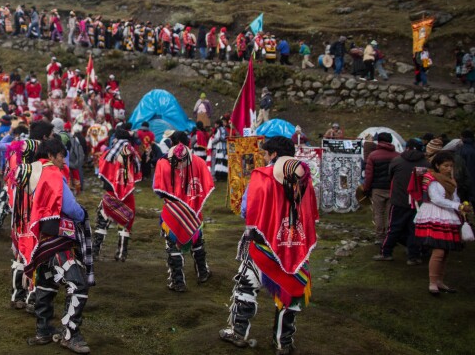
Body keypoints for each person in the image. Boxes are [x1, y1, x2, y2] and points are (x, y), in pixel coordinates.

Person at [220, 136, 317, 353]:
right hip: (294, 244)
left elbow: (247, 210)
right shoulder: (305, 178)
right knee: (291, 291)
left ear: (273, 154)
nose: (263, 157)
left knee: (246, 286)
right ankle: (283, 342)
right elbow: (311, 213)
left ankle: (238, 332)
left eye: (265, 154)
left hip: (263, 245)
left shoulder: (261, 176)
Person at [15, 137, 92, 353]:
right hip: (57, 239)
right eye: (60, 157)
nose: (63, 162)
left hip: (37, 241)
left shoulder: (30, 174)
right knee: (78, 284)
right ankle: (70, 334)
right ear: (50, 156)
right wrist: (82, 214)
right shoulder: (52, 175)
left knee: (46, 283)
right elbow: (69, 206)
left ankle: (43, 330)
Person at [153, 131, 214, 291]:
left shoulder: (163, 162)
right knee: (197, 242)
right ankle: (202, 273)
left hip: (172, 210)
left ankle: (178, 281)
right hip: (193, 209)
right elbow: (208, 183)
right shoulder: (198, 162)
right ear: (187, 142)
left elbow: (158, 190)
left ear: (172, 143)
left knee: (172, 246)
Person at [413, 151, 469, 295]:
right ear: (437, 165)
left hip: (448, 215)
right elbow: (436, 199)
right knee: (439, 250)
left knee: (445, 252)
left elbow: (455, 197)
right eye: (446, 165)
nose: (449, 169)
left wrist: (461, 205)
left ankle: (439, 281)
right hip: (435, 214)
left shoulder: (450, 181)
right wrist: (457, 206)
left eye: (451, 166)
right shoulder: (431, 179)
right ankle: (432, 282)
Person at [374, 138, 429, 264]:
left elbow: (391, 176)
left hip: (399, 200)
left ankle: (386, 252)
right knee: (414, 229)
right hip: (417, 203)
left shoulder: (397, 161)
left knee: (393, 228)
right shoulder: (426, 164)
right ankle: (413, 256)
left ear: (407, 147)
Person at [93, 127, 141, 261]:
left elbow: (102, 175)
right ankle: (121, 254)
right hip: (127, 196)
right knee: (125, 223)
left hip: (110, 194)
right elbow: (137, 172)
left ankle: (95, 252)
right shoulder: (133, 155)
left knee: (102, 222)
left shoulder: (108, 154)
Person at [363, 132, 400, 244]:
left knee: (378, 212)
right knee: (390, 213)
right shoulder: (397, 156)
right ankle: (390, 236)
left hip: (377, 189)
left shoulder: (373, 155)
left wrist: (366, 188)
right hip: (392, 189)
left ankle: (380, 237)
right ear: (391, 141)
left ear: (378, 141)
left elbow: (369, 174)